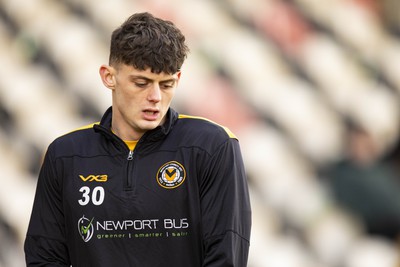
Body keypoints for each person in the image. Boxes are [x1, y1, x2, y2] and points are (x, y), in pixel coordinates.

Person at [24, 12, 252, 266]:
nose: (155, 96)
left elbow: (226, 257)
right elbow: (44, 258)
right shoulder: (66, 155)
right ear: (108, 77)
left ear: (178, 80)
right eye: (141, 83)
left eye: (165, 85)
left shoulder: (212, 146)